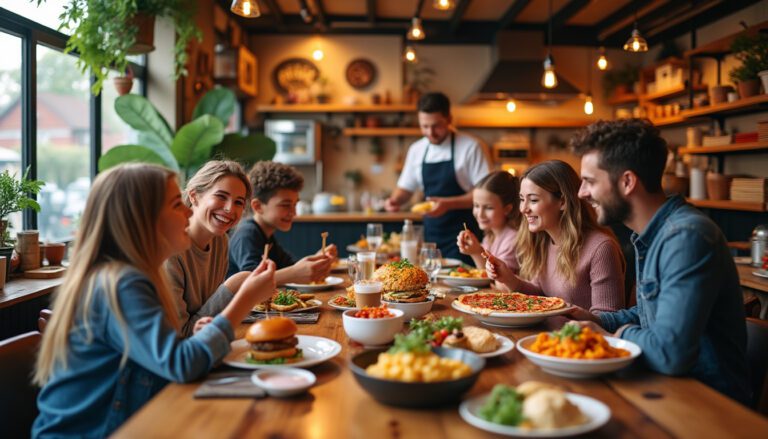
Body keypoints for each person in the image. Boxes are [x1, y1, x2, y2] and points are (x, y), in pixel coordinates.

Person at [32, 164, 276, 437]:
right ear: (142, 218)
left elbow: (165, 355)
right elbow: (182, 365)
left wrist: (198, 336)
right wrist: (243, 299)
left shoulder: (141, 274)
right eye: (175, 204)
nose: (187, 209)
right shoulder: (120, 283)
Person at [570, 118, 750, 405]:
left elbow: (670, 353)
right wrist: (594, 319)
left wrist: (611, 335)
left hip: (709, 405)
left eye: (590, 181)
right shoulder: (652, 235)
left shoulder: (687, 237)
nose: (581, 193)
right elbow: (649, 315)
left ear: (627, 182)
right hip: (666, 388)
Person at [486, 160, 625, 314]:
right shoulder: (543, 241)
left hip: (578, 337)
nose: (524, 209)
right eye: (521, 199)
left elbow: (608, 318)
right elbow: (542, 297)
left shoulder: (601, 248)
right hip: (544, 333)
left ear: (563, 202)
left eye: (533, 200)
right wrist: (508, 278)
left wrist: (560, 311)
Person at [385, 92, 491, 263]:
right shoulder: (417, 149)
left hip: (466, 238)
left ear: (449, 119)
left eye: (436, 126)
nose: (430, 132)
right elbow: (406, 187)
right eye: (424, 126)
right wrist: (395, 200)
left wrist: (448, 204)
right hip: (431, 238)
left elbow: (486, 195)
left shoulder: (471, 147)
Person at [165, 160, 253, 337]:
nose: (229, 208)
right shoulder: (170, 251)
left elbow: (207, 319)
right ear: (194, 196)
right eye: (221, 196)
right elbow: (182, 334)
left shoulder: (220, 241)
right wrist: (230, 288)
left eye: (238, 202)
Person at [228, 161, 337, 284]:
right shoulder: (246, 235)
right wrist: (295, 273)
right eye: (285, 205)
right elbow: (252, 282)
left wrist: (316, 260)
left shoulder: (266, 234)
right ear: (258, 206)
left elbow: (289, 265)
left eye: (295, 205)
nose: (294, 213)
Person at [456, 170, 521, 276]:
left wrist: (476, 252)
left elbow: (498, 279)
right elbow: (484, 274)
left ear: (507, 209)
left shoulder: (512, 240)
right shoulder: (489, 236)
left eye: (488, 207)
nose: (480, 214)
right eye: (476, 206)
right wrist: (475, 250)